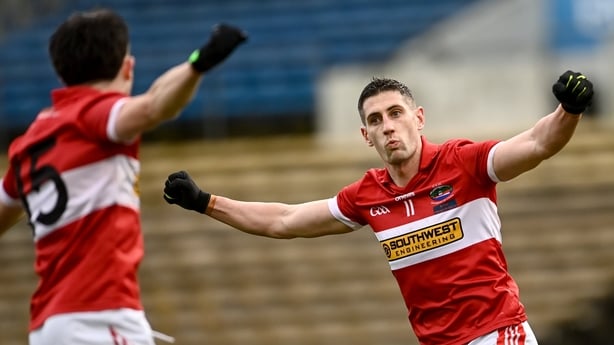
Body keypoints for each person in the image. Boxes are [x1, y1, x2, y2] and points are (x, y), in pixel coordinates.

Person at [162, 70, 593, 345]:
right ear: (366, 135)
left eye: (395, 113)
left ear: (418, 117)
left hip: (498, 334)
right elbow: (285, 220)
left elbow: (537, 143)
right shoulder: (367, 196)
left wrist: (568, 110)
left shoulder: (465, 163)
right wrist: (207, 203)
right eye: (375, 120)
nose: (388, 126)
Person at [0, 8, 246, 345]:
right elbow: (155, 107)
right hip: (98, 317)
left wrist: (192, 63)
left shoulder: (30, 142)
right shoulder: (96, 116)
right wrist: (200, 64)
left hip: (48, 325)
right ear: (127, 66)